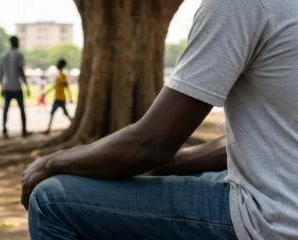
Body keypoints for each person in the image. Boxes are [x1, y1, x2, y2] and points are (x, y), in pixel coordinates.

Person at [22, 0, 298, 239]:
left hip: (274, 220)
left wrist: (50, 163)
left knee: (51, 200)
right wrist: (171, 165)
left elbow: (150, 144)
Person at [0, 36, 31, 138]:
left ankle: (4, 129)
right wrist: (26, 85)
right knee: (21, 109)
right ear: (16, 42)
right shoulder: (18, 54)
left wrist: (1, 86)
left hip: (6, 86)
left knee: (6, 109)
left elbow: (1, 73)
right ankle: (24, 130)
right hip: (16, 86)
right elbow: (21, 71)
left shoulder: (3, 55)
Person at [44, 59, 73, 134]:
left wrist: (70, 97)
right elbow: (55, 87)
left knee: (55, 113)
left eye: (58, 64)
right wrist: (46, 93)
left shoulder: (62, 76)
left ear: (60, 65)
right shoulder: (59, 75)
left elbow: (66, 86)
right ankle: (48, 129)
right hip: (58, 97)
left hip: (60, 98)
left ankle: (48, 129)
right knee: (62, 113)